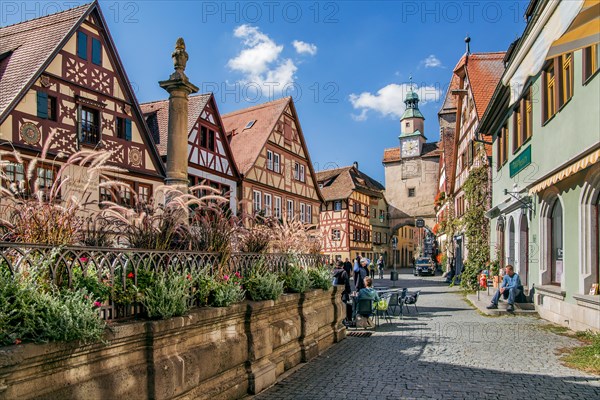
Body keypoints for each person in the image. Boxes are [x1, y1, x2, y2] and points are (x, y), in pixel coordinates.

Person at [332, 261, 353, 325]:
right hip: (343, 293)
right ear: (342, 266)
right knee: (343, 307)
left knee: (336, 307)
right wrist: (349, 291)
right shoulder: (344, 272)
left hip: (334, 293)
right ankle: (344, 321)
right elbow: (347, 283)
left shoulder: (333, 272)